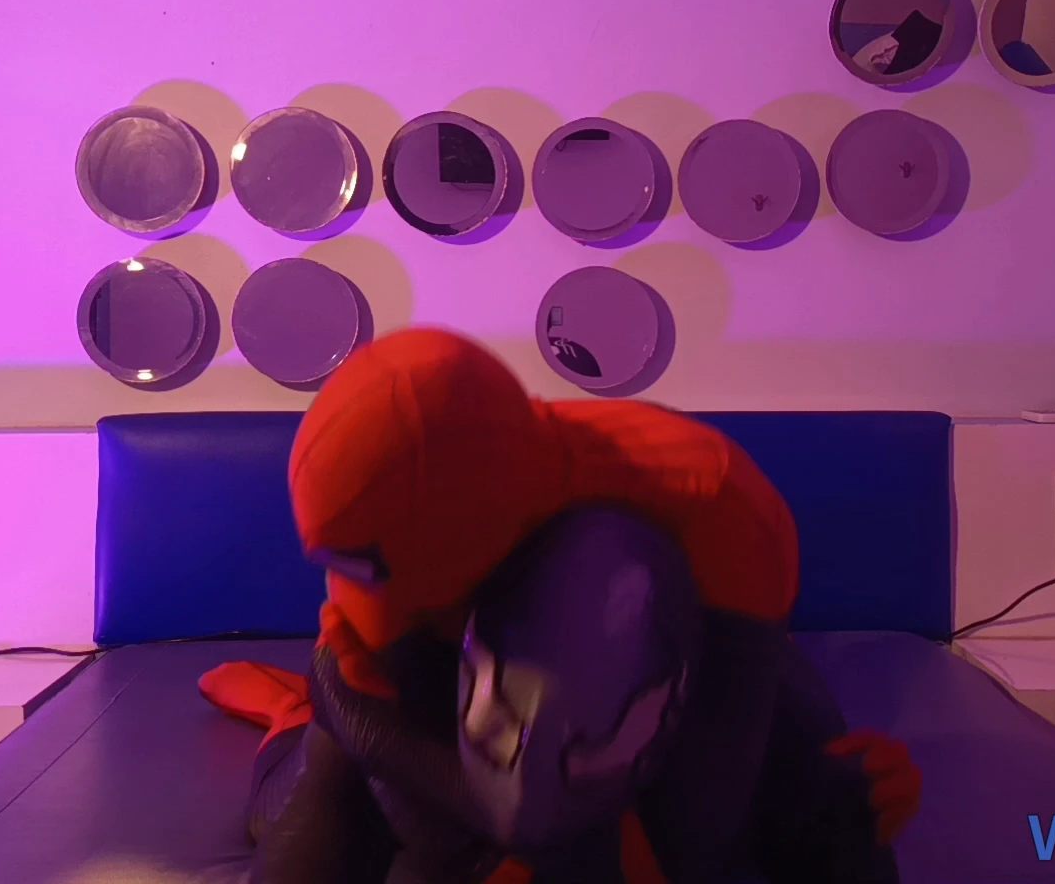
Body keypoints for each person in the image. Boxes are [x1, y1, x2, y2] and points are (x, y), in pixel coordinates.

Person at [202, 328, 919, 882]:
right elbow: (358, 708)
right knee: (323, 792)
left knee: (789, 810)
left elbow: (700, 827)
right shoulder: (377, 518)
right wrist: (498, 837)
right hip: (434, 662)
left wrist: (819, 798)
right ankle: (285, 716)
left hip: (688, 644)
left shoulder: (716, 504)